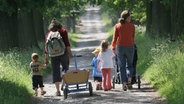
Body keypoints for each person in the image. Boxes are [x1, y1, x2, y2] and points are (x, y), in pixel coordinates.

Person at [44, 18, 72, 96]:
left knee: (56, 72)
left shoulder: (48, 34)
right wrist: (70, 53)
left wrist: (46, 59)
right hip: (63, 53)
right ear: (59, 25)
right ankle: (63, 85)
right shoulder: (63, 31)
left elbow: (46, 48)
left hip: (53, 55)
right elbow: (67, 43)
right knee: (65, 69)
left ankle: (57, 91)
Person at [111, 10, 135, 91]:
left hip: (120, 47)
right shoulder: (132, 26)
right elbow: (133, 38)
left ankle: (124, 83)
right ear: (127, 18)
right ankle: (129, 80)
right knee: (130, 65)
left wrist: (113, 47)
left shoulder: (117, 26)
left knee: (121, 66)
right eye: (130, 17)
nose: (130, 19)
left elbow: (114, 39)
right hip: (130, 47)